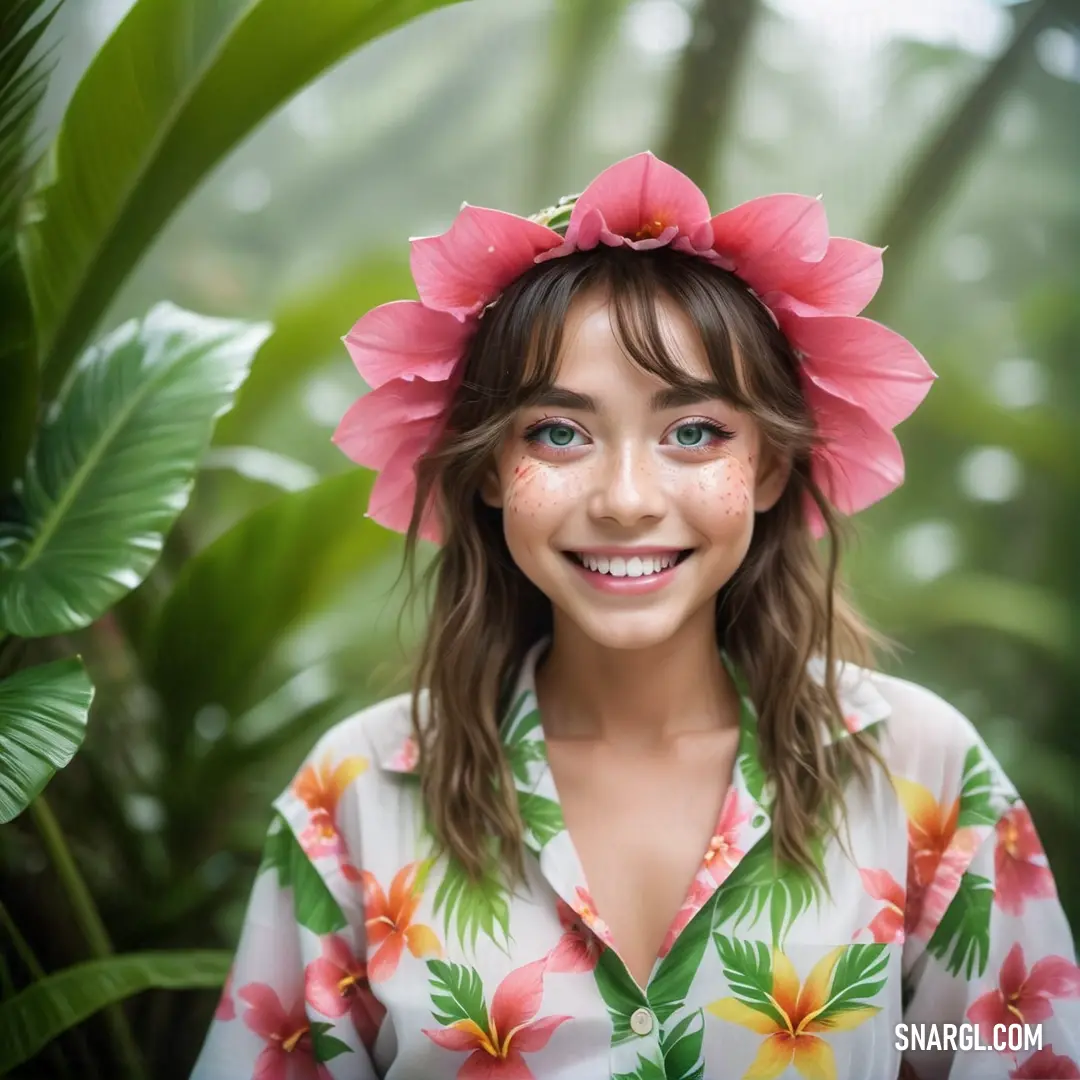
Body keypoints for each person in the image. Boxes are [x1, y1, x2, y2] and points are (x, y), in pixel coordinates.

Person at [190, 153, 1079, 1080]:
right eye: (559, 432)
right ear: (489, 468)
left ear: (771, 467)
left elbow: (1000, 1048)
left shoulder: (917, 769)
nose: (624, 499)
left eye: (694, 432)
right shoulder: (357, 796)